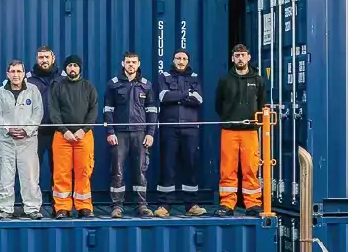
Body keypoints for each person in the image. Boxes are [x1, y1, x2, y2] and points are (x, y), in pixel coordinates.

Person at [215, 43, 267, 217]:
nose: (240, 58)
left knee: (250, 169)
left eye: (243, 55)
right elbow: (218, 105)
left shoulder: (258, 80)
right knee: (227, 169)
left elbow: (261, 104)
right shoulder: (224, 80)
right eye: (237, 55)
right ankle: (227, 204)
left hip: (250, 131)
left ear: (249, 57)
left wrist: (253, 123)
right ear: (232, 58)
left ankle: (252, 204)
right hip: (229, 130)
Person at [104, 51, 157, 218]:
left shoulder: (146, 85)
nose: (131, 65)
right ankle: (117, 206)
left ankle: (141, 206)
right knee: (117, 171)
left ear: (139, 64)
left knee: (140, 171)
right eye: (128, 62)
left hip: (140, 134)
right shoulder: (113, 84)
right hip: (119, 134)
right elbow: (107, 111)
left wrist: (150, 133)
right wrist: (110, 132)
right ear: (123, 64)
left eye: (134, 62)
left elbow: (152, 111)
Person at [154, 50, 206, 217]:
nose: (181, 61)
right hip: (169, 127)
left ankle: (191, 205)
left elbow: (198, 99)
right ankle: (164, 205)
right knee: (168, 166)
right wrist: (186, 95)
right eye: (178, 58)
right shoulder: (164, 76)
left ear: (188, 61)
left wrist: (176, 97)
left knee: (191, 165)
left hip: (190, 128)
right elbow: (163, 96)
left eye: (184, 59)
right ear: (173, 60)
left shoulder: (195, 77)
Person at [0, 60, 44, 220]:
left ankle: (32, 209)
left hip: (28, 141)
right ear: (7, 74)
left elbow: (38, 113)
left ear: (24, 73)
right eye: (13, 72)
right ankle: (4, 209)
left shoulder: (33, 91)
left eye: (19, 71)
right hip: (6, 141)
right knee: (4, 175)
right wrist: (8, 129)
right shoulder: (0, 92)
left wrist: (26, 130)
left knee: (30, 175)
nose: (16, 75)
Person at [48, 55, 98, 219]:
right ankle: (62, 208)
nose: (72, 68)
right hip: (62, 137)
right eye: (69, 66)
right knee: (61, 173)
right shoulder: (58, 87)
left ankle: (84, 207)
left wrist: (83, 130)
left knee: (84, 172)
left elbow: (93, 112)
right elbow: (53, 112)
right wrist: (64, 130)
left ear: (80, 68)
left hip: (84, 136)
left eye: (75, 65)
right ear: (65, 69)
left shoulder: (88, 87)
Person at [28, 46, 61, 212]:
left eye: (47, 57)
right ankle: (34, 206)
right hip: (36, 132)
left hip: (58, 132)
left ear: (53, 58)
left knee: (59, 171)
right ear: (36, 59)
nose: (44, 60)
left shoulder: (62, 78)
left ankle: (59, 206)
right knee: (33, 171)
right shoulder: (28, 79)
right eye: (41, 57)